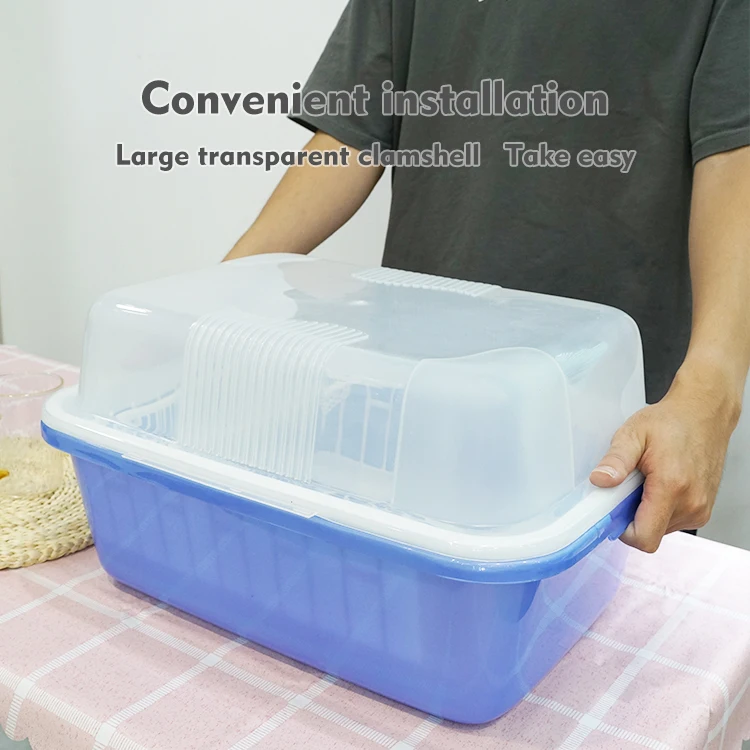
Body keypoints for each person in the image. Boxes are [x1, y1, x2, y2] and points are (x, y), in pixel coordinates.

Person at [224, 0, 750, 554]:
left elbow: (735, 147)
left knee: (593, 602)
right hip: (416, 392)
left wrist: (710, 396)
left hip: (608, 423)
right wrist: (221, 296)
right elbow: (352, 132)